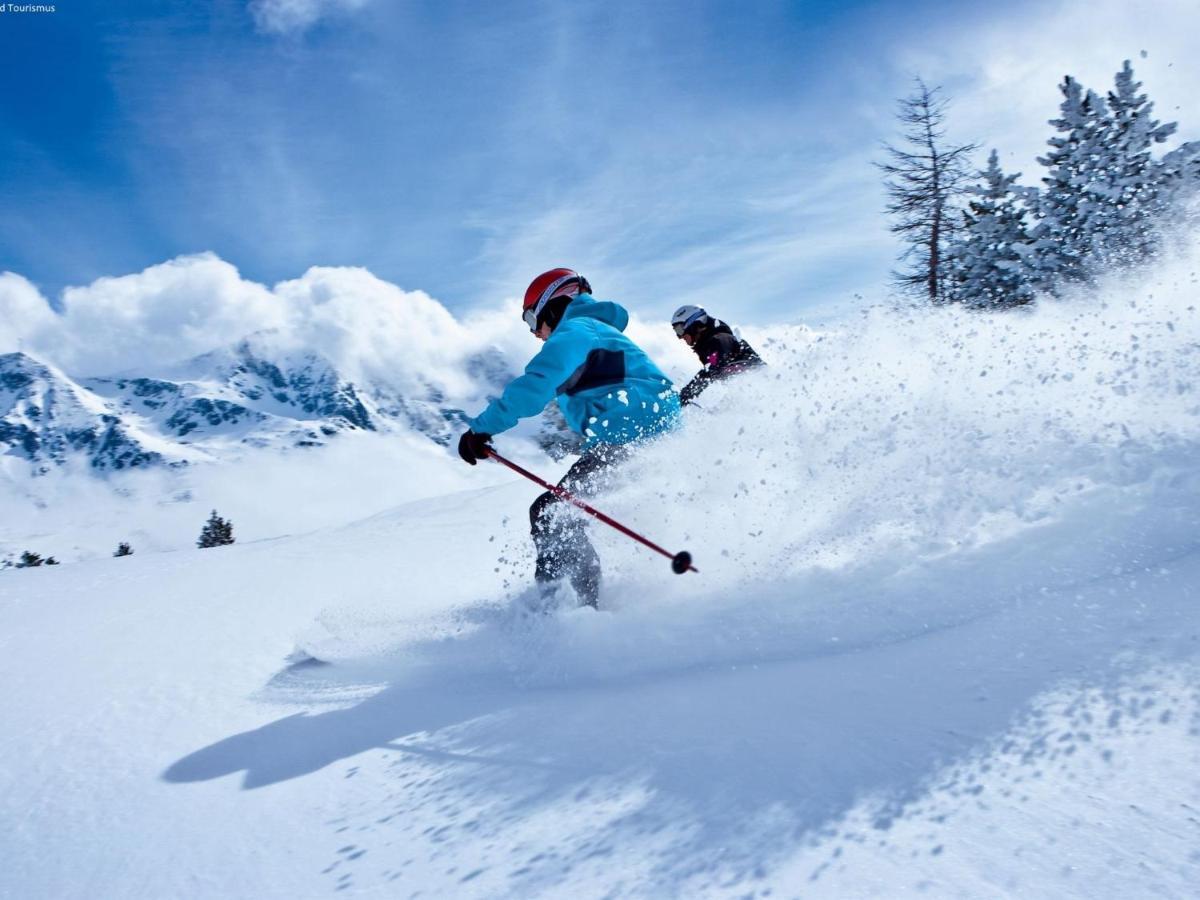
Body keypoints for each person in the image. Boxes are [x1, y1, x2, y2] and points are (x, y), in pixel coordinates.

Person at [458, 268, 681, 608]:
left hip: (629, 438)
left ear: (553, 305)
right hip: (649, 439)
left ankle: (567, 612)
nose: (535, 333)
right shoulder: (596, 330)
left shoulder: (576, 331)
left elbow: (535, 386)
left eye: (532, 319)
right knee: (562, 514)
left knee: (552, 515)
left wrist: (481, 429)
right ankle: (581, 605)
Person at [670, 305, 765, 405]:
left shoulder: (719, 340)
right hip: (748, 391)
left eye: (679, 330)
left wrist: (685, 395)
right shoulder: (709, 344)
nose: (679, 337)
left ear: (694, 324)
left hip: (758, 391)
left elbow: (712, 368)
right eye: (676, 331)